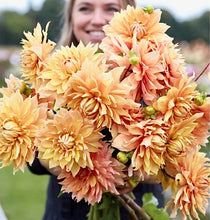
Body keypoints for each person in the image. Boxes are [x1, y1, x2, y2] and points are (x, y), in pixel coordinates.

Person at [28, 0, 164, 219]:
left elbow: (182, 150)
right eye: (85, 8)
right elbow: (29, 147)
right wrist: (51, 159)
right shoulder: (49, 74)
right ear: (71, 16)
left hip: (135, 210)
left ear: (130, 17)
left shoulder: (158, 71)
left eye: (111, 8)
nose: (98, 19)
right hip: (67, 211)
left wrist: (150, 169)